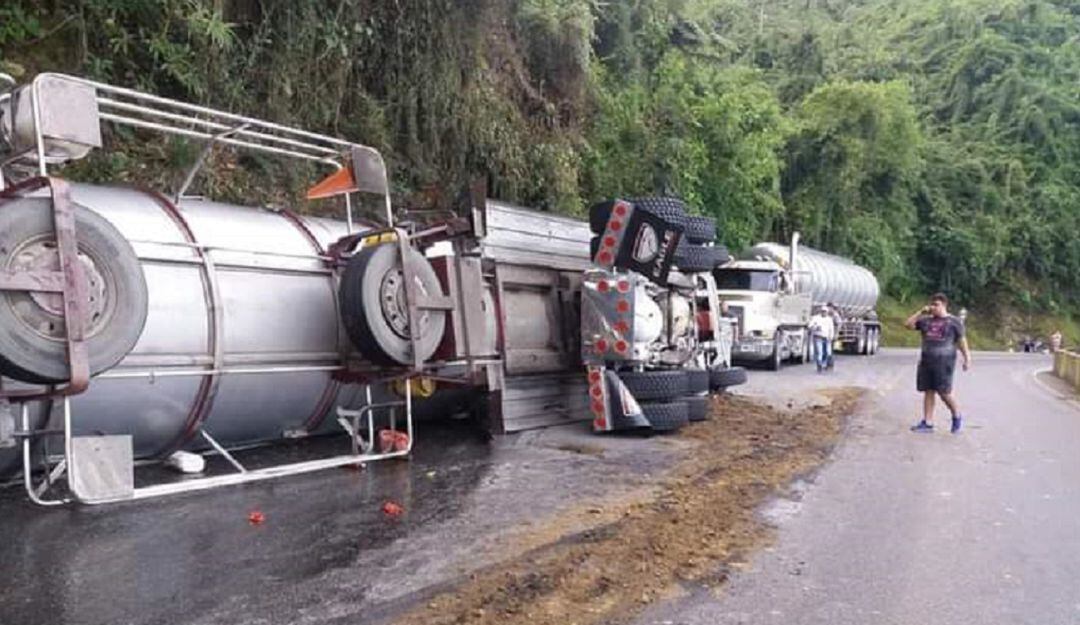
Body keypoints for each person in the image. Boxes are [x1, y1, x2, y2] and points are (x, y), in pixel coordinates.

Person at [905, 293, 971, 433]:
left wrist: (967, 358)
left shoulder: (954, 322)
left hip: (945, 362)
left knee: (944, 393)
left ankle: (956, 416)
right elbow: (908, 325)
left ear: (944, 305)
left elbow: (961, 341)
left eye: (937, 304)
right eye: (932, 304)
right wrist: (920, 312)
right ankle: (928, 422)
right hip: (927, 360)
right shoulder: (926, 321)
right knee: (928, 390)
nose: (934, 307)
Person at [808, 306, 835, 373]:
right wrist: (815, 327)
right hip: (818, 337)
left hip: (826, 338)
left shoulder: (829, 319)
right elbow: (810, 326)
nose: (824, 313)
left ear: (827, 312)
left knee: (827, 352)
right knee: (819, 352)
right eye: (823, 311)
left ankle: (825, 364)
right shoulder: (816, 318)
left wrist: (831, 337)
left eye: (825, 312)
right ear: (821, 312)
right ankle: (819, 365)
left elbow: (831, 329)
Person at [826, 302, 843, 369]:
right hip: (826, 334)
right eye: (827, 307)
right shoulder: (826, 315)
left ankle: (830, 364)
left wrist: (836, 334)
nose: (828, 309)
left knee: (830, 350)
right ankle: (827, 363)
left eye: (829, 307)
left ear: (832, 308)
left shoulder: (835, 315)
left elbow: (839, 324)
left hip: (833, 335)